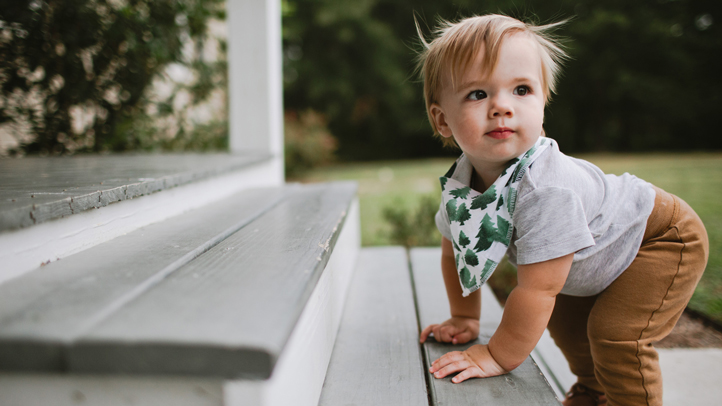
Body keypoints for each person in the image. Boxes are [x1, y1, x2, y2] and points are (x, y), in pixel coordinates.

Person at [415, 14, 709, 406]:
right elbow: (454, 251)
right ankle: (594, 389)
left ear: (543, 101)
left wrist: (497, 355)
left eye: (521, 89)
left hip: (658, 238)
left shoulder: (545, 187)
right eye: (478, 94)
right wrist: (465, 317)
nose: (502, 106)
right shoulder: (461, 185)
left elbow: (539, 288)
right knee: (567, 325)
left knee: (615, 334)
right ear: (442, 120)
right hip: (586, 257)